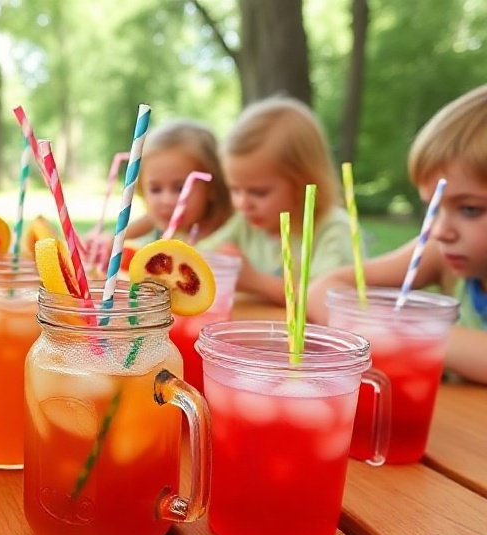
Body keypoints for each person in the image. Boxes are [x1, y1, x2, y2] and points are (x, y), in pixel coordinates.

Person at [308, 84, 487, 385]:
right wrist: (381, 329)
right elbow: (322, 290)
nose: (440, 230)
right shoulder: (438, 252)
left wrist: (402, 333)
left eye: (470, 209)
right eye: (433, 208)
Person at [205, 95, 355, 305]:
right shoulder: (246, 223)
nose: (243, 204)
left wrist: (255, 281)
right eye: (235, 190)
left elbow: (326, 300)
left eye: (259, 192)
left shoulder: (333, 229)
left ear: (304, 183)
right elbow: (203, 254)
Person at [88, 119, 232, 267]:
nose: (166, 200)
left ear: (212, 187)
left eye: (180, 188)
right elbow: (148, 220)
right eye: (155, 189)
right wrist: (109, 241)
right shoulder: (172, 220)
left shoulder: (228, 240)